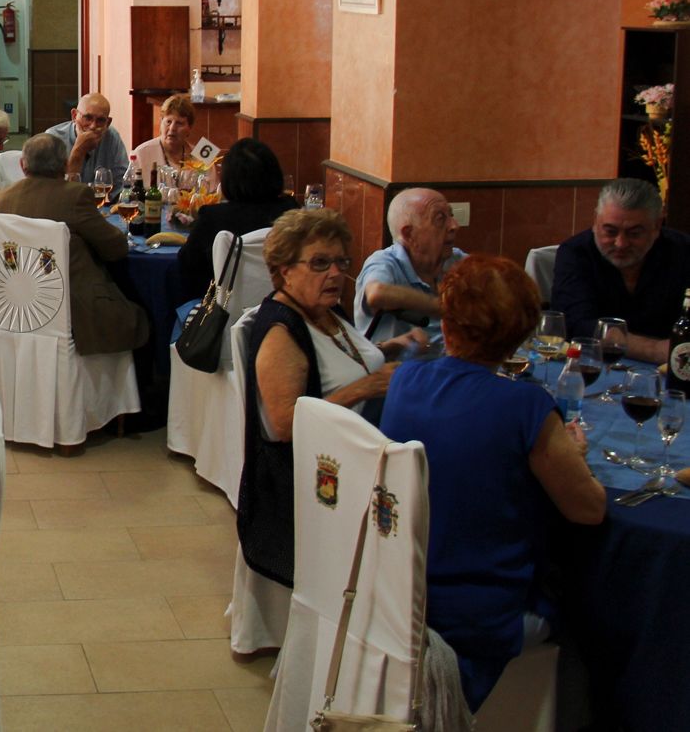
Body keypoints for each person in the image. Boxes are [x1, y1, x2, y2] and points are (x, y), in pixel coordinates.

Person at [380, 255, 606, 711]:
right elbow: (589, 509)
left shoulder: (406, 378)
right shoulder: (526, 407)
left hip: (395, 597)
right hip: (476, 620)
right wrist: (575, 456)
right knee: (596, 606)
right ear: (522, 332)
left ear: (448, 322)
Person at [239, 209, 426, 586]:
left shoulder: (324, 309)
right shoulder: (281, 332)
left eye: (341, 262)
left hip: (358, 455)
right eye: (320, 263)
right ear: (284, 271)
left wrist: (390, 347)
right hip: (316, 485)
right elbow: (286, 425)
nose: (336, 274)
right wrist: (367, 387)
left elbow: (336, 362)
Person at [0, 134, 150, 354]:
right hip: (75, 310)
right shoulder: (75, 196)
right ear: (65, 164)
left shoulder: (0, 200)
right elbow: (116, 249)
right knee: (146, 311)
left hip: (19, 306)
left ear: (22, 165)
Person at [552, 177, 690, 363]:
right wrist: (654, 350)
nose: (621, 244)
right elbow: (574, 325)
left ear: (657, 226)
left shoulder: (683, 252)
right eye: (610, 231)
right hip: (593, 364)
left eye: (634, 234)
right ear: (595, 221)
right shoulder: (575, 253)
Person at [176, 138, 299, 300]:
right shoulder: (291, 211)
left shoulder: (214, 218)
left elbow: (186, 265)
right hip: (285, 304)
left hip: (227, 310)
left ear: (228, 179)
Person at [353, 187, 465, 344]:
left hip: (456, 358)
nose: (454, 226)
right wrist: (441, 308)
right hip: (398, 359)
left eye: (451, 216)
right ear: (408, 234)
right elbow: (376, 294)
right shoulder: (385, 262)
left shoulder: (457, 260)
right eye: (440, 219)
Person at [129, 94, 211, 190]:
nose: (172, 128)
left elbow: (212, 192)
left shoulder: (202, 154)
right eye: (168, 122)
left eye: (179, 123)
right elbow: (130, 193)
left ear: (190, 128)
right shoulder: (142, 153)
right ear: (161, 122)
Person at [45, 92, 128, 185]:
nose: (93, 126)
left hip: (100, 195)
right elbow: (53, 188)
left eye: (100, 120)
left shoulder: (111, 137)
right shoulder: (52, 139)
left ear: (107, 123)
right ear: (74, 115)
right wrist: (79, 150)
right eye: (87, 118)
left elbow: (122, 183)